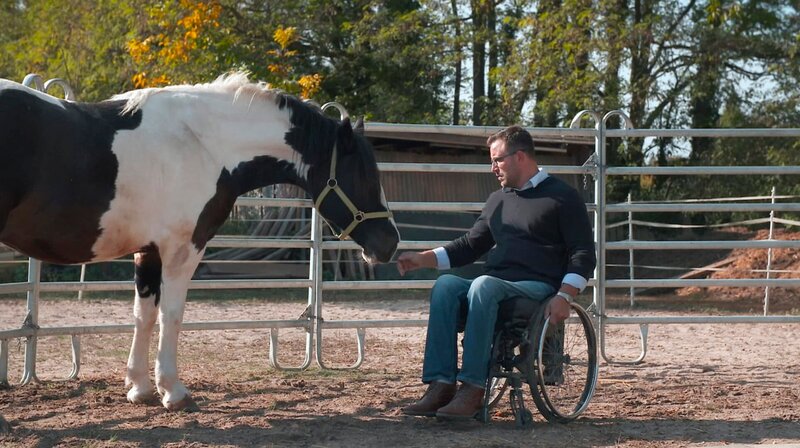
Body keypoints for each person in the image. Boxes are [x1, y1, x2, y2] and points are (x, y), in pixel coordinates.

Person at [397, 125, 596, 420]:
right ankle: (441, 385)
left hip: (536, 289)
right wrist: (424, 259)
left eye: (497, 160)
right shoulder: (498, 200)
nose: (493, 168)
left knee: (484, 285)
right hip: (493, 287)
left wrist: (565, 295)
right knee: (447, 286)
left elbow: (583, 253)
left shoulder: (563, 197)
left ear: (520, 157)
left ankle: (473, 389)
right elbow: (469, 245)